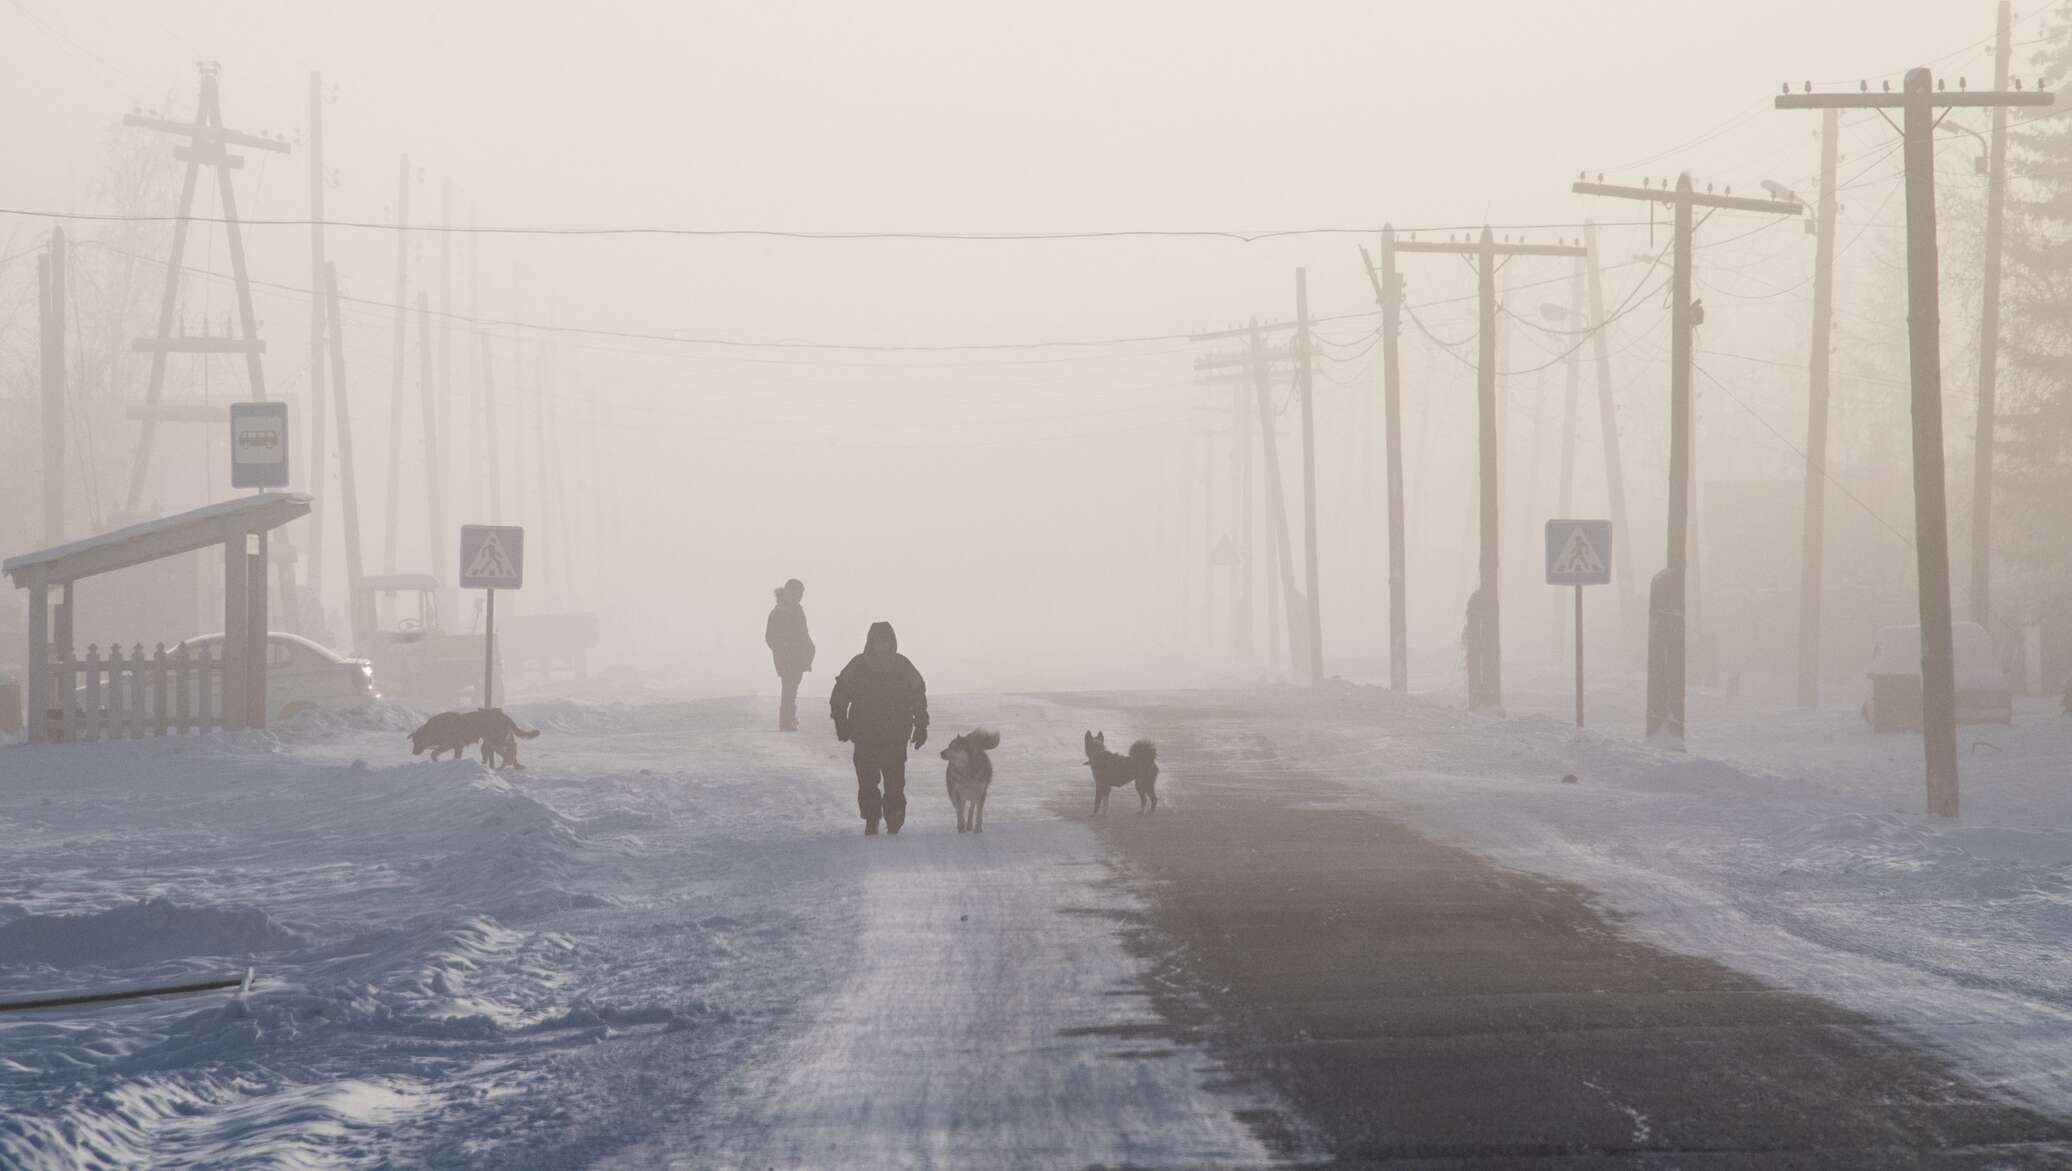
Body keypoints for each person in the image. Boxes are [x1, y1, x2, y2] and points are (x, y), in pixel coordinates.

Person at [828, 621, 928, 836]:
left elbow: (917, 695)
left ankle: (894, 818)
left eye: (886, 641)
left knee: (894, 781)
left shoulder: (903, 666)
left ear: (892, 642)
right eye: (877, 641)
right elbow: (840, 695)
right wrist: (840, 722)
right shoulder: (858, 665)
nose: (882, 646)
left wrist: (921, 724)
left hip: (896, 735)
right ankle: (872, 819)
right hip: (865, 735)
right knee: (867, 782)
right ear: (870, 642)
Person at [765, 579, 815, 732]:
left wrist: (809, 648)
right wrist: (784, 650)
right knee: (789, 688)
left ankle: (789, 719)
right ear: (790, 592)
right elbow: (771, 637)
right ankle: (786, 721)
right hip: (789, 657)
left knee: (791, 688)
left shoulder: (795, 609)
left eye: (801, 593)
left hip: (797, 656)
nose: (800, 596)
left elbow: (802, 633)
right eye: (798, 593)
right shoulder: (781, 611)